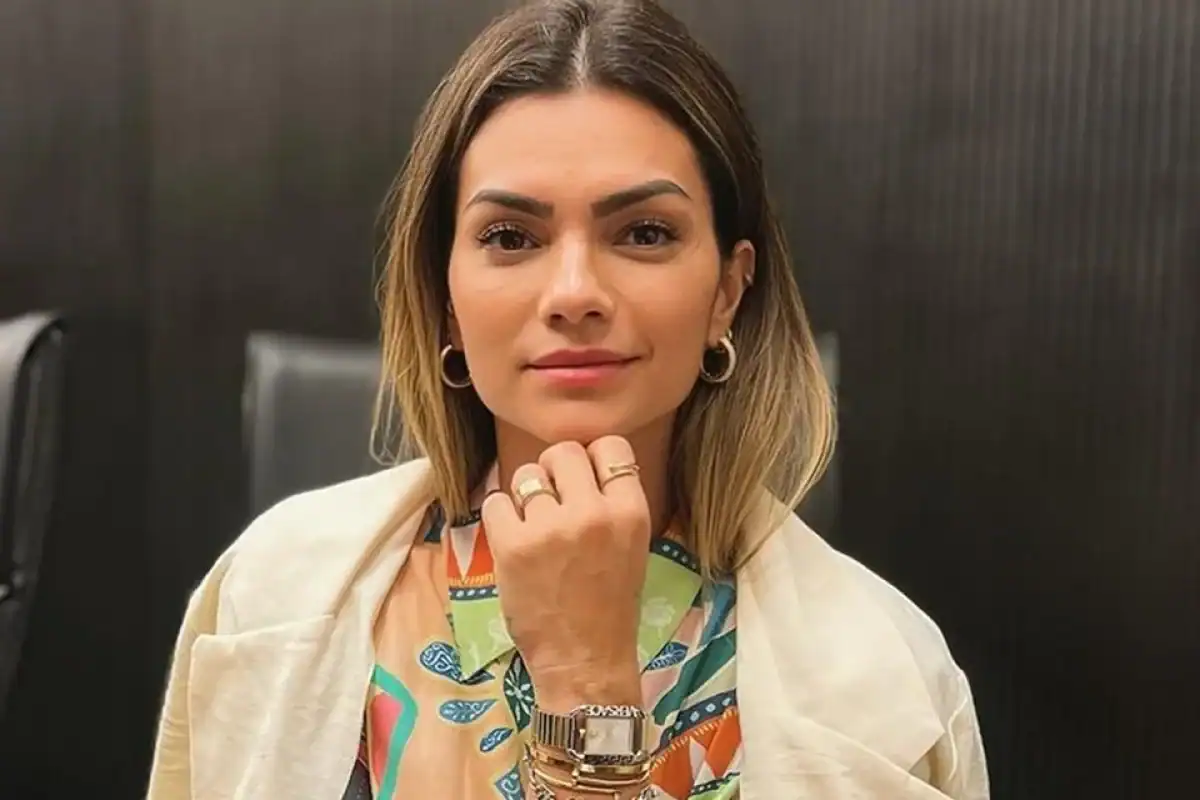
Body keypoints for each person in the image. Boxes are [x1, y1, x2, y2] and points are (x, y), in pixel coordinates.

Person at [147, 1, 988, 798]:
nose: (575, 292)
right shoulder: (267, 597)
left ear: (727, 293)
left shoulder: (893, 683)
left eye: (644, 233)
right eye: (511, 237)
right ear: (446, 299)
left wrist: (587, 683)